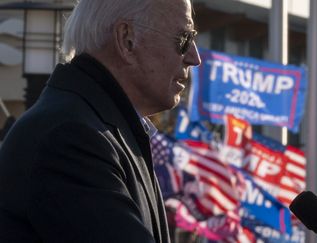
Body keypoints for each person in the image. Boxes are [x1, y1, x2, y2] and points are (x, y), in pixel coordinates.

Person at [0, 0, 201, 242]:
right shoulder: (71, 137)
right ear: (127, 39)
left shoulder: (96, 127)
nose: (194, 57)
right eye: (183, 39)